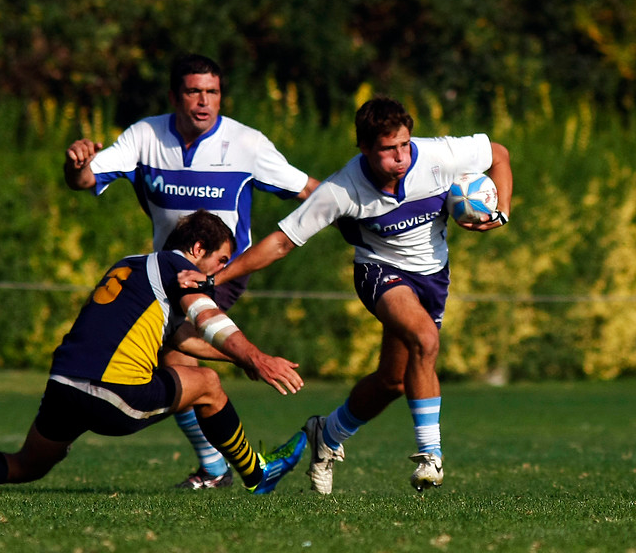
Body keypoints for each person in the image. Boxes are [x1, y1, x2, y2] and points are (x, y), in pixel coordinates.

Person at [179, 96, 513, 493]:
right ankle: (430, 456)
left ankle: (328, 433)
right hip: (379, 271)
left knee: (393, 382)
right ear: (365, 149)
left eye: (404, 145)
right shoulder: (342, 189)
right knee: (425, 339)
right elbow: (281, 243)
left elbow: (498, 153)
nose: (401, 157)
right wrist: (217, 278)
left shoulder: (440, 155)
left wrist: (502, 210)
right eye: (388, 150)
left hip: (433, 277)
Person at [0, 210, 307, 495]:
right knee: (208, 386)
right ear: (197, 250)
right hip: (113, 393)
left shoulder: (132, 264)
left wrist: (237, 357)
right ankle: (256, 474)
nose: (221, 272)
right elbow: (208, 318)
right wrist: (255, 357)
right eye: (221, 260)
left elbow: (178, 339)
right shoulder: (178, 267)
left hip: (64, 386)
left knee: (27, 465)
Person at [64, 53, 320, 489]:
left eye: (212, 92)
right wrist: (77, 163)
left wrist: (363, 212)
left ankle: (218, 466)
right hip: (166, 274)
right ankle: (237, 414)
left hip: (221, 272)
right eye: (193, 91)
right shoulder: (146, 135)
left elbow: (309, 191)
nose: (203, 101)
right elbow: (86, 180)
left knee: (177, 359)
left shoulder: (247, 144)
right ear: (174, 96)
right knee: (174, 363)